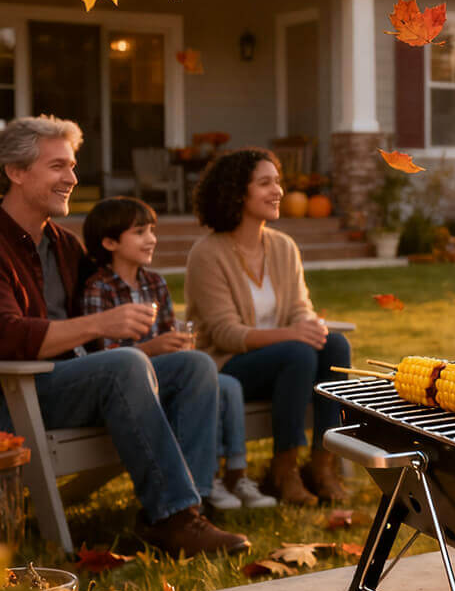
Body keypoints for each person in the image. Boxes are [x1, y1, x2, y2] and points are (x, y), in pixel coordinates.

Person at [0, 115, 249, 555]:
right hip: (18, 396)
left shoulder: (65, 245)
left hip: (75, 382)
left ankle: (183, 515)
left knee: (193, 365)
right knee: (125, 363)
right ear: (16, 172)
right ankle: (174, 515)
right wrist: (103, 325)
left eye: (73, 166)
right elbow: (8, 335)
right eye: (58, 167)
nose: (72, 179)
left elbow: (103, 328)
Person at [80, 197, 277, 511]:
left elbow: (170, 330)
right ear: (109, 242)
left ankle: (235, 474)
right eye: (140, 232)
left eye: (152, 231)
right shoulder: (98, 289)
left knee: (228, 385)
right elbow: (104, 354)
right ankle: (203, 483)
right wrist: (152, 348)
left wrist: (179, 345)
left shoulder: (154, 283)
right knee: (209, 380)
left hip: (170, 370)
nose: (152, 239)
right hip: (133, 383)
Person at [186, 148, 352, 506]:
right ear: (237, 193)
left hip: (286, 363)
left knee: (335, 346)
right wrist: (293, 335)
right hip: (227, 366)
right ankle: (284, 470)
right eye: (265, 183)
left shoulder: (283, 247)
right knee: (296, 352)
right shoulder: (207, 253)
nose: (277, 191)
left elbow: (298, 308)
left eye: (278, 181)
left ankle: (323, 465)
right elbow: (224, 334)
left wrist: (310, 326)